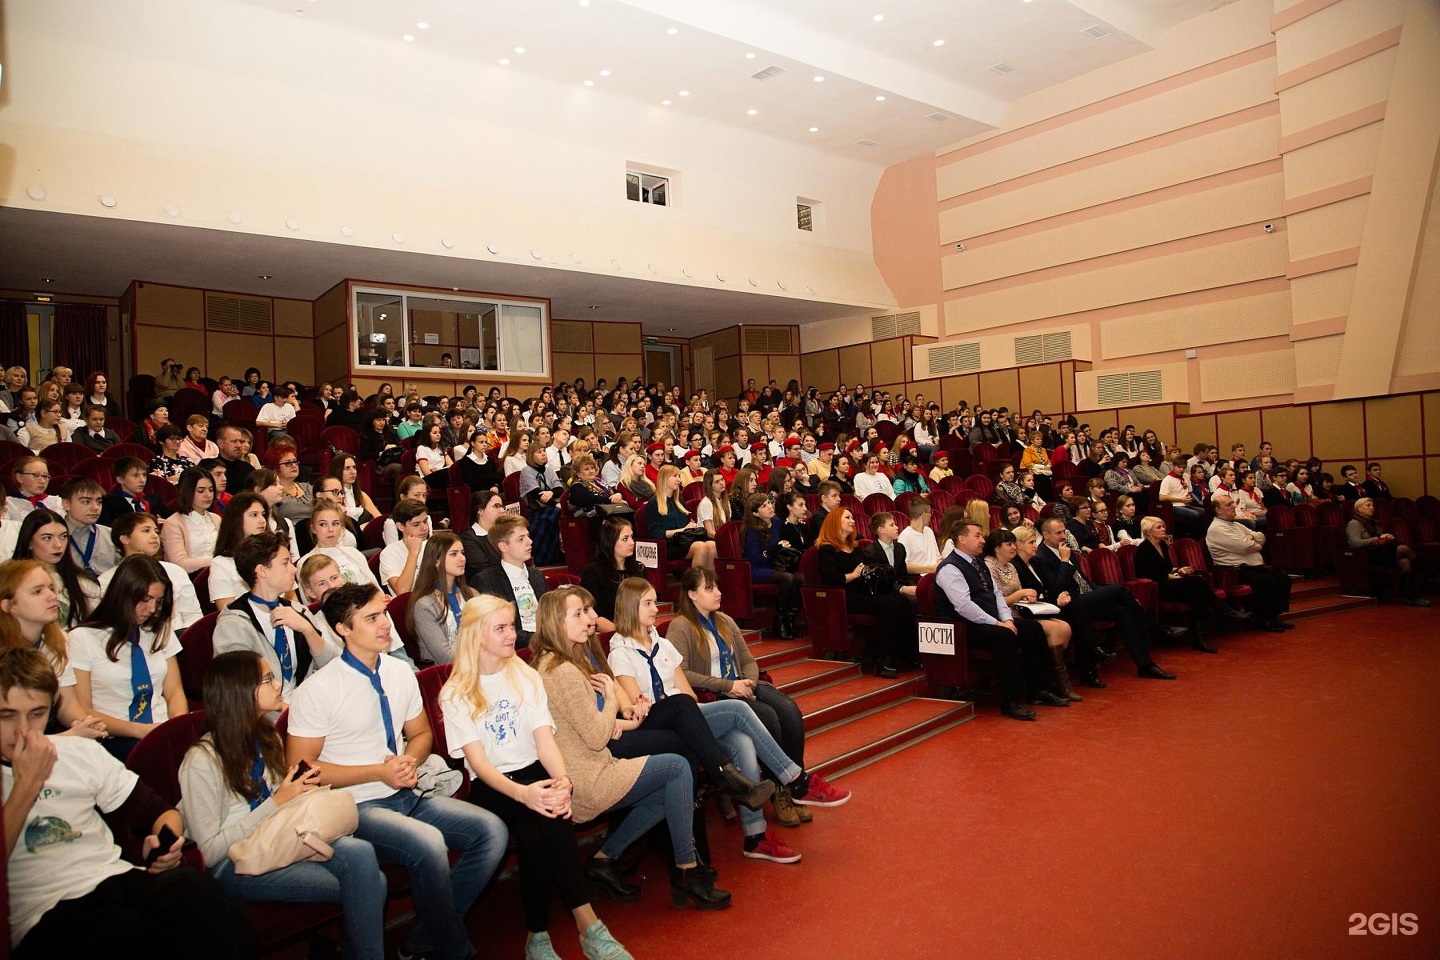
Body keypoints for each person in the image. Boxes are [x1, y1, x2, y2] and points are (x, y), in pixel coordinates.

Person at [287, 583, 508, 960]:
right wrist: (378, 772)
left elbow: (419, 734)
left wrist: (409, 760)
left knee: (491, 832)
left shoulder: (399, 672)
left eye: (384, 614)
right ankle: (457, 950)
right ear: (343, 629)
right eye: (371, 618)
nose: (385, 624)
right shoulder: (318, 689)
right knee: (429, 844)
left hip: (408, 790)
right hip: (356, 806)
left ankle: (422, 940)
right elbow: (303, 770)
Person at [0, 646, 254, 958]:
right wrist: (27, 784)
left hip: (115, 878)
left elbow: (158, 811)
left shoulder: (77, 753)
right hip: (47, 911)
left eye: (37, 714)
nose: (24, 731)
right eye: (7, 716)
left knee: (208, 900)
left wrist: (166, 841)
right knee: (137, 935)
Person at [439, 594, 636, 960]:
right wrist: (523, 794)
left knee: (543, 823)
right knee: (540, 821)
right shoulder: (456, 692)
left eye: (511, 626)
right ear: (475, 635)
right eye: (499, 628)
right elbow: (479, 766)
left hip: (535, 771)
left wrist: (563, 780)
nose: (511, 635)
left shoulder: (526, 675)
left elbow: (544, 742)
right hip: (494, 784)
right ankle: (580, 929)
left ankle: (548, 935)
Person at [529, 586, 731, 909]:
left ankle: (607, 859)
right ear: (555, 622)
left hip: (594, 762)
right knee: (679, 767)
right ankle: (686, 870)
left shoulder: (562, 661)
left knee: (672, 780)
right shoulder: (562, 671)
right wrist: (611, 697)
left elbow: (595, 731)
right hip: (586, 777)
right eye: (578, 614)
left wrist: (624, 714)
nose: (588, 620)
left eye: (587, 612)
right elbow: (598, 735)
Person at [178, 651, 387, 960]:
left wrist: (296, 788)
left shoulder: (266, 736)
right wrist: (277, 802)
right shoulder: (201, 761)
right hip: (236, 861)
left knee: (362, 854)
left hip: (282, 834)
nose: (278, 685)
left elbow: (280, 802)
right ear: (241, 692)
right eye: (267, 679)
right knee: (370, 883)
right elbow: (208, 853)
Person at [607, 578, 809, 865]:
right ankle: (795, 779)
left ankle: (755, 836)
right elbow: (638, 705)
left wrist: (705, 718)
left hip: (687, 716)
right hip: (658, 724)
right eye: (648, 604)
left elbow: (688, 695)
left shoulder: (662, 645)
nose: (655, 609)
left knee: (742, 741)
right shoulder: (620, 653)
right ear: (629, 608)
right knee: (738, 711)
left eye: (655, 601)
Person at [667, 567, 849, 824]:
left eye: (718, 586)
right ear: (692, 594)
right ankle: (781, 790)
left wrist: (749, 683)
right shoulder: (681, 626)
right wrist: (727, 686)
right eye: (710, 588)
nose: (719, 592)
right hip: (714, 693)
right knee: (769, 717)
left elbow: (748, 661)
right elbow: (682, 673)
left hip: (743, 686)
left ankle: (797, 786)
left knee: (789, 711)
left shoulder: (725, 621)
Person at [933, 522, 1062, 721]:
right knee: (1004, 637)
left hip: (990, 620)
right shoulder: (950, 567)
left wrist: (1008, 619)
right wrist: (996, 623)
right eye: (977, 536)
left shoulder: (978, 562)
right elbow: (963, 606)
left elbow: (996, 594)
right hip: (964, 626)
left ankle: (1039, 689)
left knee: (1033, 629)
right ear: (962, 539)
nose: (983, 540)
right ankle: (1009, 701)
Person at [67, 555, 187, 759]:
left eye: (158, 602)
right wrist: (140, 731)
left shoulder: (158, 631)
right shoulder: (83, 638)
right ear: (123, 594)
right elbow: (83, 710)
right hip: (114, 736)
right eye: (145, 600)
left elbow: (174, 692)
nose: (152, 609)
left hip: (160, 729)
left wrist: (177, 727)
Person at [1032, 517, 1177, 679]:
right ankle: (1155, 627)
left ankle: (1145, 665)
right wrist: (1065, 561)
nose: (1063, 536)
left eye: (1064, 531)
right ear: (1045, 534)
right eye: (1058, 533)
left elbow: (1085, 580)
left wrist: (1101, 592)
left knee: (1123, 611)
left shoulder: (1065, 549)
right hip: (1070, 603)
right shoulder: (1041, 557)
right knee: (1119, 589)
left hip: (1088, 598)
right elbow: (1056, 587)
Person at [213, 530, 331, 701]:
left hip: (306, 702)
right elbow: (240, 691)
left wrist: (307, 629)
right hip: (265, 716)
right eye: (285, 563)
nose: (293, 569)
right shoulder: (233, 625)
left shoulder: (299, 612)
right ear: (262, 571)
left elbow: (331, 665)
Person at [815, 508, 913, 678]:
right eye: (847, 518)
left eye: (852, 517)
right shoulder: (827, 549)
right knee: (889, 604)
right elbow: (830, 579)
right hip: (844, 595)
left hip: (863, 591)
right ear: (835, 522)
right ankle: (882, 658)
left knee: (901, 600)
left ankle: (901, 652)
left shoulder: (855, 547)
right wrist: (853, 575)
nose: (852, 521)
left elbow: (867, 570)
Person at [1135, 517, 1229, 651]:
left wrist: (1179, 569)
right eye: (1159, 527)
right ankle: (1222, 608)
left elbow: (1166, 567)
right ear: (1149, 532)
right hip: (1156, 588)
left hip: (1169, 584)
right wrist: (1171, 576)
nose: (1163, 529)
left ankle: (1199, 640)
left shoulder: (1162, 545)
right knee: (1196, 580)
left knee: (1196, 598)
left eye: (1163, 526)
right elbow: (1147, 574)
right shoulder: (1143, 549)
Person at [1207, 493, 1295, 630]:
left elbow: (1261, 536)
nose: (1234, 506)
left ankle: (1273, 616)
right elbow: (1245, 546)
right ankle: (1264, 619)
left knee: (1284, 579)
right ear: (1218, 510)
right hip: (1234, 571)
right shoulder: (1216, 528)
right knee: (1268, 582)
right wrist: (1253, 542)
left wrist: (1251, 539)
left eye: (1233, 503)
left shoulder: (1236, 525)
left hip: (1253, 566)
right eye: (1229, 504)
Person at [472, 513, 549, 648]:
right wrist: (542, 639)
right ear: (503, 546)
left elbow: (549, 616)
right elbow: (496, 628)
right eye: (521, 539)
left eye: (528, 536)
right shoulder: (486, 580)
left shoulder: (537, 576)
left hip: (545, 643)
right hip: (515, 649)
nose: (529, 541)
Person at [407, 532, 478, 663]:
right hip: (445, 672)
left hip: (477, 664)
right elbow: (443, 656)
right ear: (436, 561)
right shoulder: (424, 605)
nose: (462, 558)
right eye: (453, 554)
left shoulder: (472, 594)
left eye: (462, 552)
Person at [1347, 497, 1429, 606]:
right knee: (1403, 548)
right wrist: (1377, 539)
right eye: (1368, 505)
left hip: (1380, 553)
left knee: (1405, 562)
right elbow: (1355, 543)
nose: (1372, 508)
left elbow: (1379, 538)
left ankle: (1411, 597)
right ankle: (1428, 573)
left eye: (1372, 506)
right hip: (1366, 556)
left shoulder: (1371, 523)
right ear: (1359, 509)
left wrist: (1385, 537)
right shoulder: (1354, 523)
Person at [579, 517, 646, 633]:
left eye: (631, 537)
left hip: (637, 630)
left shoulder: (639, 569)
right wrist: (624, 634)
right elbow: (594, 616)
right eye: (625, 539)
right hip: (608, 633)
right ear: (610, 542)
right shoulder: (593, 573)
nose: (632, 542)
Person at [646, 465, 717, 570]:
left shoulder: (679, 502)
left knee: (712, 545)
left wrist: (690, 527)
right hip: (668, 544)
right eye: (675, 476)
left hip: (683, 540)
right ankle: (696, 584)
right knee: (700, 547)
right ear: (664, 478)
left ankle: (709, 582)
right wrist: (683, 529)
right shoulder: (654, 503)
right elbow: (656, 533)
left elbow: (686, 526)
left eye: (679, 476)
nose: (679, 479)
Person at [298, 500, 377, 594]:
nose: (330, 529)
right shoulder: (305, 562)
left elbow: (375, 588)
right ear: (313, 528)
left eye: (335, 523)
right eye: (323, 524)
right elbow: (310, 602)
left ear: (342, 527)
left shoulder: (354, 553)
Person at [160, 467, 222, 573]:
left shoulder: (216, 519)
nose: (208, 495)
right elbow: (180, 564)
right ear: (187, 491)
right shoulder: (173, 523)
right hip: (191, 579)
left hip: (220, 573)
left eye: (211, 490)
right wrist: (218, 562)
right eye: (201, 491)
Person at [60, 477, 118, 578]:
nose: (95, 508)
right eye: (86, 502)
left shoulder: (111, 534)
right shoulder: (53, 537)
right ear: (66, 504)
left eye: (99, 502)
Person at [379, 499, 430, 596]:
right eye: (416, 524)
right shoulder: (389, 553)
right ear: (400, 526)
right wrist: (413, 553)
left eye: (425, 521)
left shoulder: (432, 546)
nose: (424, 528)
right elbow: (402, 591)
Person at [330, 452, 381, 525]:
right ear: (337, 470)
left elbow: (378, 519)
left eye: (354, 467)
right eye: (347, 468)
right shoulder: (333, 496)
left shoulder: (361, 495)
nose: (352, 472)